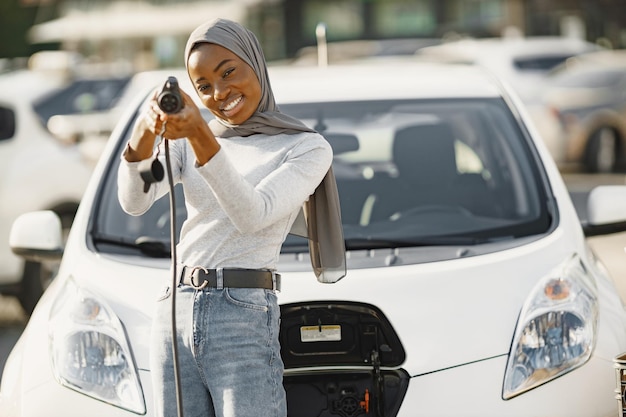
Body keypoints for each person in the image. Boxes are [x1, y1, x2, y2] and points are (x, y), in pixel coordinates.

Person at [117, 18, 338, 417]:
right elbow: (134, 201)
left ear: (256, 62)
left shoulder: (306, 147)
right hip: (174, 309)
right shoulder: (189, 138)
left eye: (229, 72)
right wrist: (144, 131)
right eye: (203, 87)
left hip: (242, 312)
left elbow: (253, 215)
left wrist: (201, 135)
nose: (220, 93)